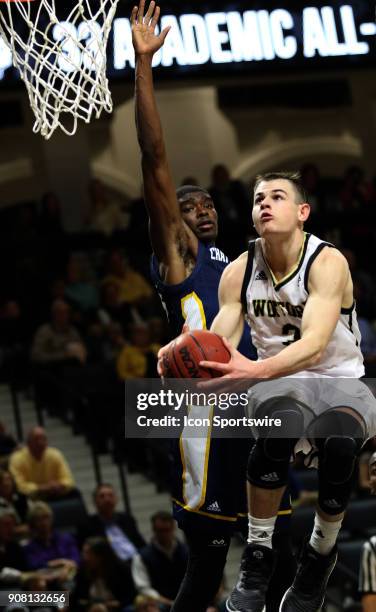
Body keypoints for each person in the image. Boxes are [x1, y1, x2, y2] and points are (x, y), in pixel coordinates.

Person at [131, 3, 295, 612]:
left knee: (274, 548)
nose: (198, 209)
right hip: (207, 411)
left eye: (205, 204)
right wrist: (144, 66)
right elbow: (152, 158)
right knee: (207, 560)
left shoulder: (243, 264)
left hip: (257, 406)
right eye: (186, 203)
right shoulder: (180, 258)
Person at [157, 169, 376, 611]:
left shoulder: (327, 261)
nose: (265, 204)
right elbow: (217, 345)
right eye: (258, 199)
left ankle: (318, 557)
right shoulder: (238, 272)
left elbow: (314, 347)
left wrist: (253, 371)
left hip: (339, 381)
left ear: (302, 212)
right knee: (279, 423)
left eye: (277, 196)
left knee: (339, 446)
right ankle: (257, 559)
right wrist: (186, 361)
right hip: (279, 384)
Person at [131, 511, 188, 609]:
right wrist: (167, 602)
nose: (164, 534)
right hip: (160, 603)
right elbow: (143, 588)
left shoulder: (188, 552)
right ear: (154, 530)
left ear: (173, 528)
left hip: (189, 600)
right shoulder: (142, 556)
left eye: (167, 530)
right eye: (160, 531)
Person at [78, 483, 145, 561]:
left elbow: (141, 544)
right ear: (95, 502)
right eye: (102, 496)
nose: (107, 499)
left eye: (110, 495)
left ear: (116, 499)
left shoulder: (127, 519)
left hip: (136, 561)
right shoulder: (87, 525)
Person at [9, 427, 75, 499]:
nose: (40, 443)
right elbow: (20, 486)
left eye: (44, 439)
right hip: (30, 499)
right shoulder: (17, 459)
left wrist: (60, 485)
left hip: (55, 494)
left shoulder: (55, 454)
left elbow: (69, 480)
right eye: (36, 440)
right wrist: (42, 488)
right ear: (28, 443)